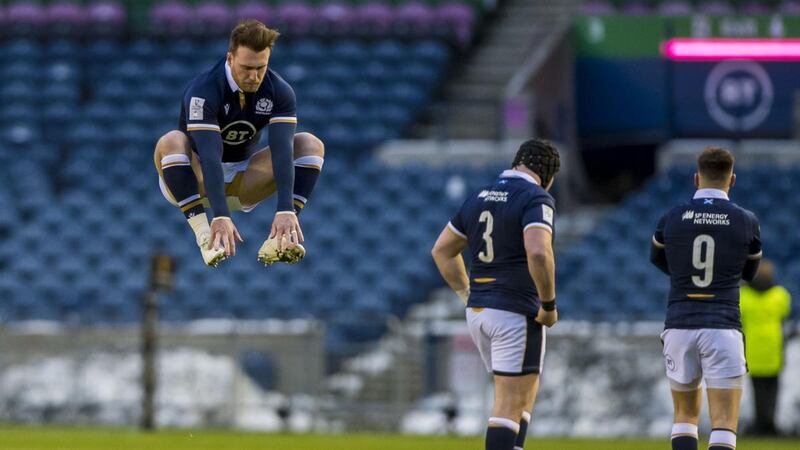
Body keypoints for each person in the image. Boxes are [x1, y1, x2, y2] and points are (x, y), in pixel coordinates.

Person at [154, 19, 325, 267]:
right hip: (194, 179)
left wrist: (286, 209)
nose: (254, 77)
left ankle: (281, 236)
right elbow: (210, 155)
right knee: (171, 140)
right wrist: (220, 214)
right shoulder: (203, 91)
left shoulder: (280, 91)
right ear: (230, 58)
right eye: (246, 68)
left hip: (243, 182)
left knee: (310, 144)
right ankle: (204, 235)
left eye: (261, 68)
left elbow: (282, 150)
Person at [431, 138, 560, 450]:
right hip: (515, 309)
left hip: (479, 311)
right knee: (509, 402)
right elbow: (538, 251)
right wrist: (548, 304)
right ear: (548, 174)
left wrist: (467, 293)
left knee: (522, 396)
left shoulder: (480, 195)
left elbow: (442, 251)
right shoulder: (536, 197)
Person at [650, 147, 762, 450]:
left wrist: (683, 276)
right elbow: (750, 273)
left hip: (679, 324)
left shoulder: (673, 217)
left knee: (684, 416)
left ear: (696, 178)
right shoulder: (746, 220)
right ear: (732, 179)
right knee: (724, 420)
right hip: (722, 325)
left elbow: (657, 258)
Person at [740, 259, 791, 436]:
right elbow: (785, 313)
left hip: (752, 347)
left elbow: (739, 317)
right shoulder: (780, 295)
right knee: (773, 388)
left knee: (757, 389)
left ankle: (759, 424)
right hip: (773, 346)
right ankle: (770, 423)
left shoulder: (743, 295)